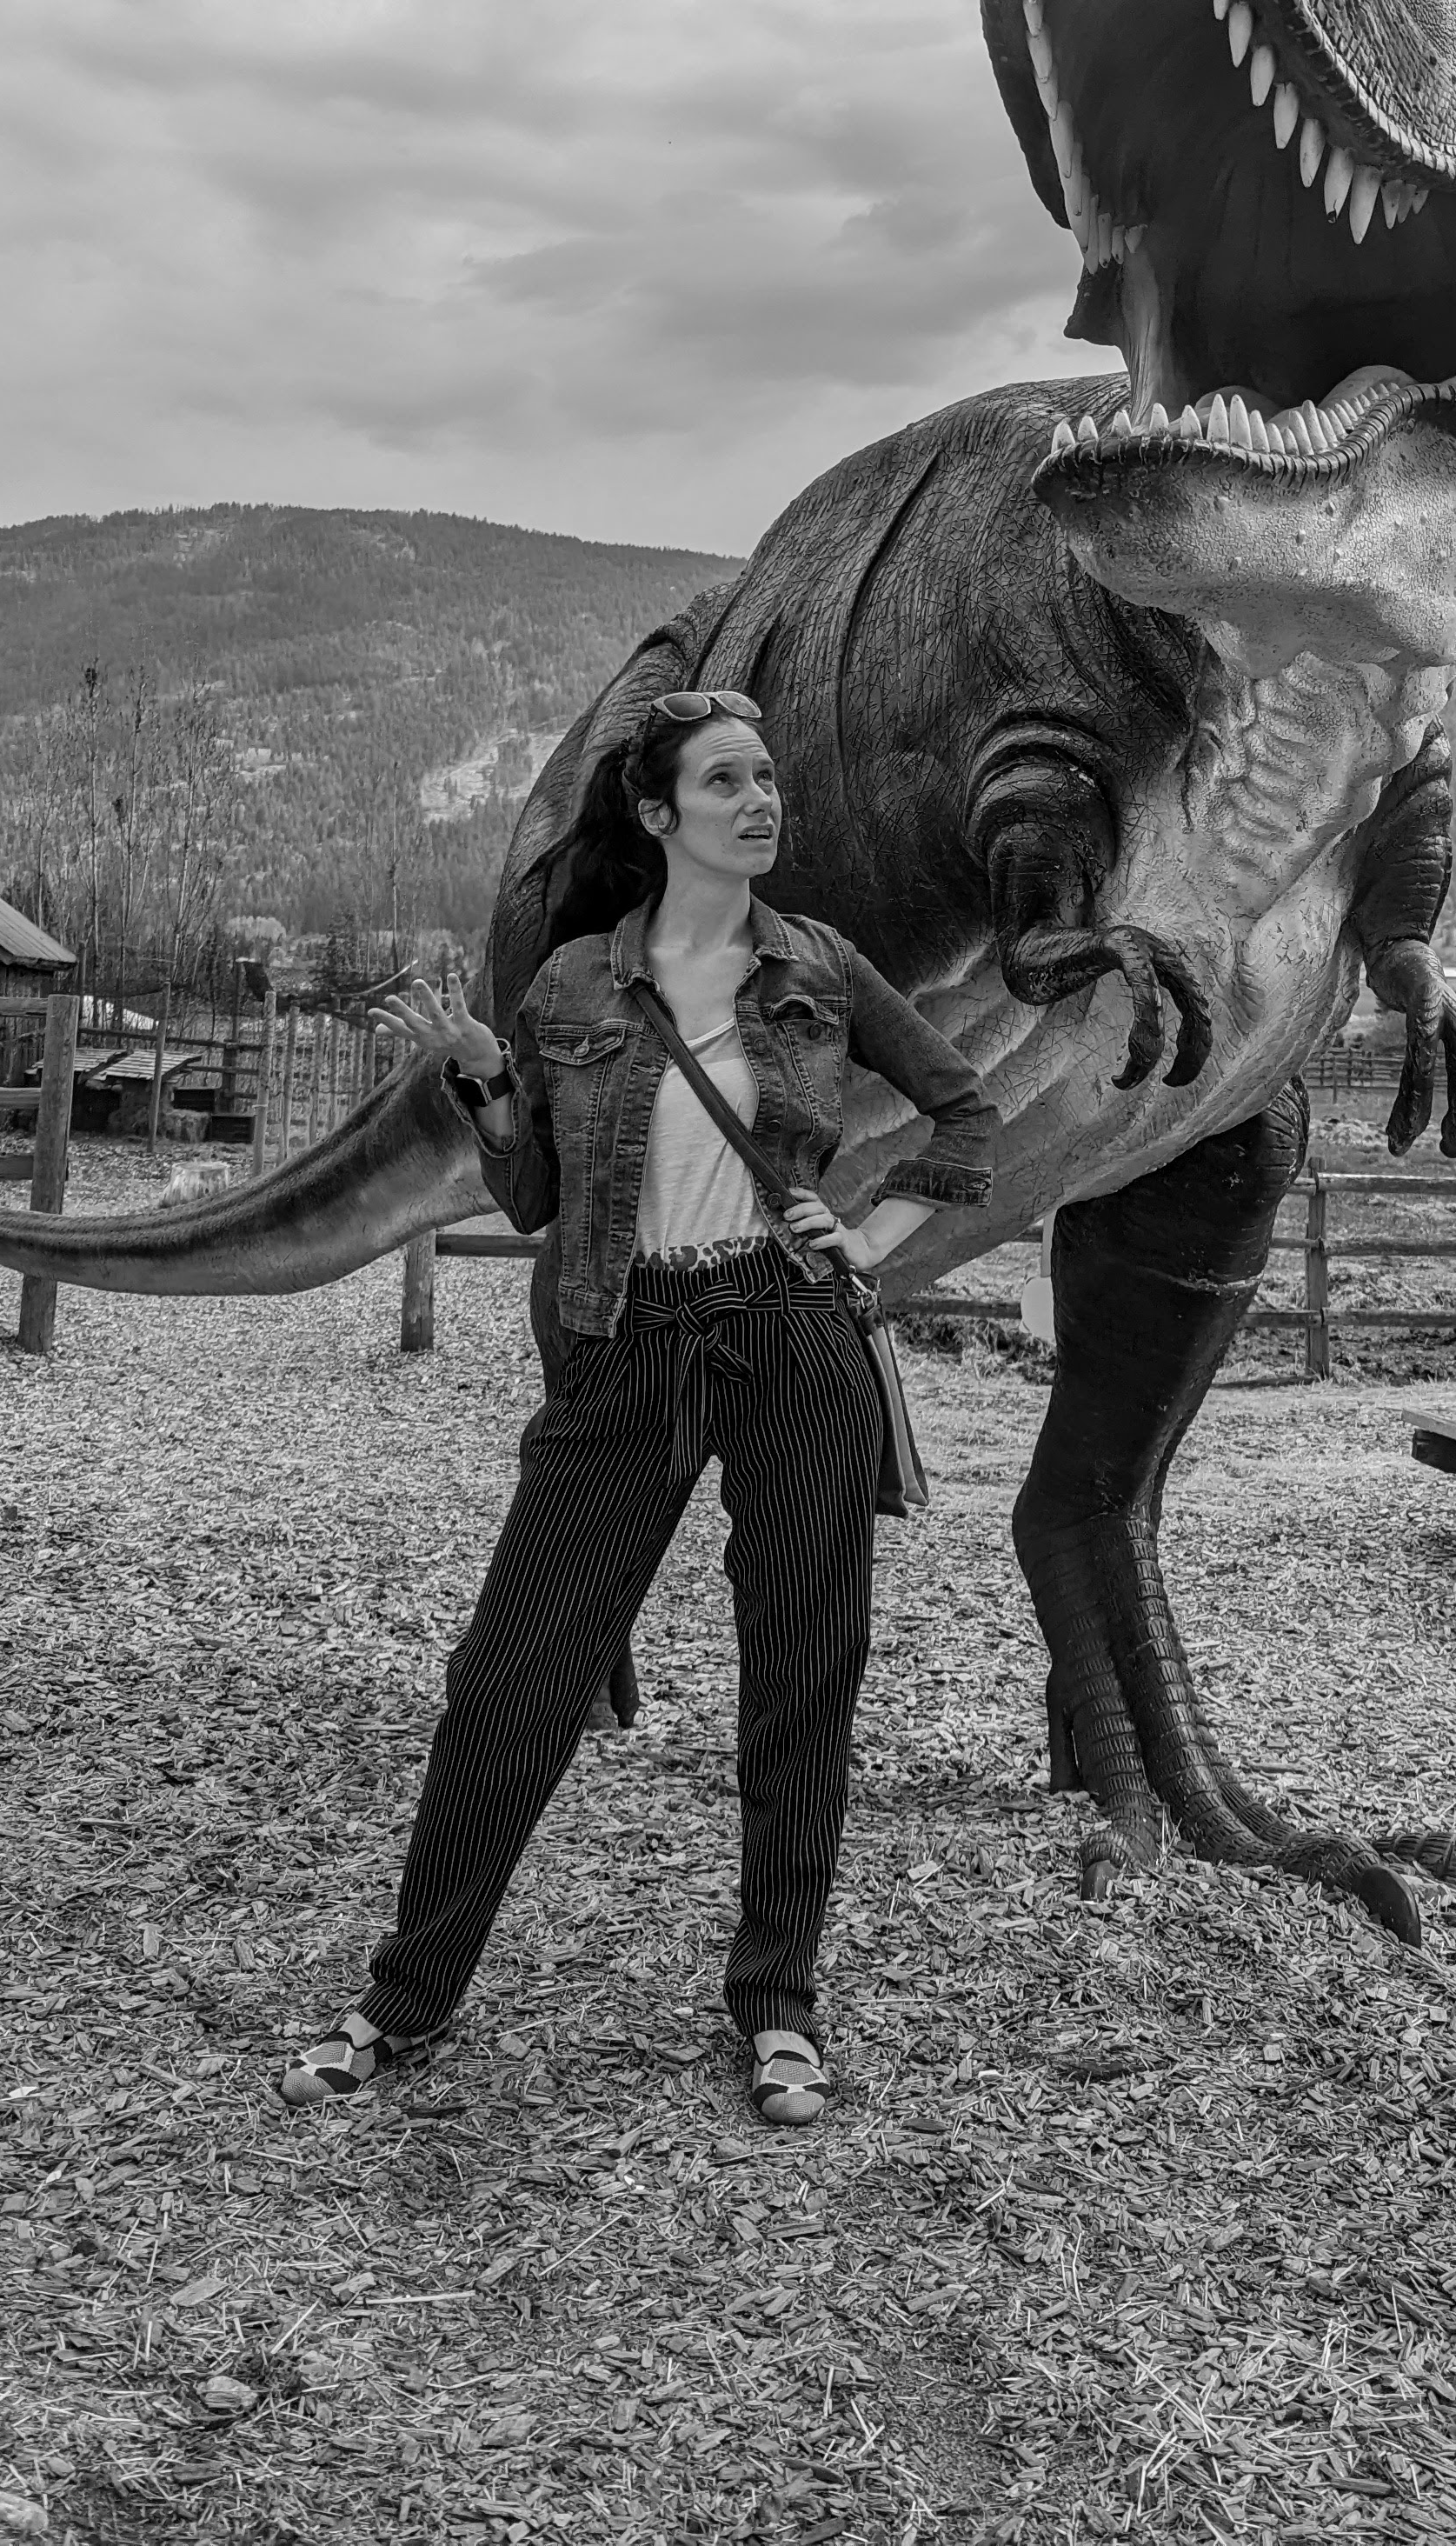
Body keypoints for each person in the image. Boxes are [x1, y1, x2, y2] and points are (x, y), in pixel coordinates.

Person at [281, 687, 994, 2129]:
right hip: (626, 1340)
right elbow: (538, 1198)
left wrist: (883, 1240)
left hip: (791, 1334)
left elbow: (965, 1110)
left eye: (768, 776)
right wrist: (484, 1083)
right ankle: (406, 1996)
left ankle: (780, 2004)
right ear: (660, 817)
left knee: (803, 1674)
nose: (761, 798)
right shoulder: (567, 993)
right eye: (725, 780)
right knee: (509, 1677)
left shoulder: (825, 966)